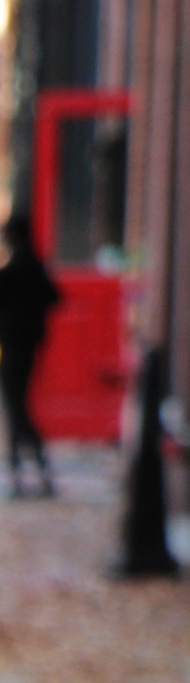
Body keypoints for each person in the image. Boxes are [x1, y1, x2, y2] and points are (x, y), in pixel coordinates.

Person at [0, 213, 61, 499]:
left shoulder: (13, 271)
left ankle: (30, 469)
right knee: (16, 408)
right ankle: (26, 472)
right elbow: (54, 297)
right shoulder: (35, 267)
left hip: (12, 348)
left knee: (17, 409)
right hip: (29, 346)